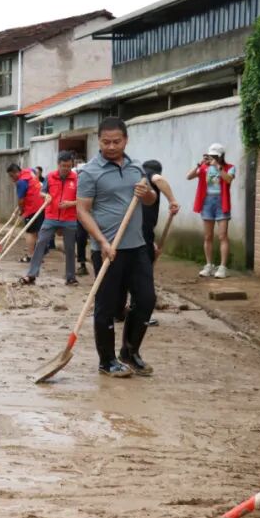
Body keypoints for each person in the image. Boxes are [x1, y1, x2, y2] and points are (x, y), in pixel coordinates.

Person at [77, 117, 158, 378]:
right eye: (106, 142)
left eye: (116, 141)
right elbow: (82, 211)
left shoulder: (136, 168)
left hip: (137, 247)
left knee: (146, 299)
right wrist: (101, 241)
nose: (111, 147)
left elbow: (150, 200)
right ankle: (107, 360)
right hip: (107, 249)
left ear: (126, 140)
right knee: (108, 305)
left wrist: (147, 193)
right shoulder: (90, 172)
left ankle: (130, 353)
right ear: (98, 141)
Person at [130, 159, 180, 326]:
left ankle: (123, 310)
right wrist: (172, 200)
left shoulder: (136, 179)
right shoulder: (151, 176)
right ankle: (140, 312)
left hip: (134, 231)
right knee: (143, 274)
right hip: (143, 232)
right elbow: (159, 179)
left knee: (130, 271)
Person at [21, 151, 79, 285]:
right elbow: (42, 192)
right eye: (63, 166)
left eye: (68, 166)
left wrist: (71, 203)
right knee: (41, 243)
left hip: (69, 218)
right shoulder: (50, 177)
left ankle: (70, 277)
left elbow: (82, 199)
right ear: (58, 164)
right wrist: (45, 196)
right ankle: (31, 274)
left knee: (70, 248)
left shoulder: (77, 179)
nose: (66, 169)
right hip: (51, 217)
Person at [187, 143, 236, 279]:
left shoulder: (229, 167)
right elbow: (189, 176)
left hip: (221, 202)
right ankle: (209, 265)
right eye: (210, 156)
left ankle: (223, 267)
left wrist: (218, 167)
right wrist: (199, 164)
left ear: (221, 156)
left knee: (222, 235)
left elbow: (228, 179)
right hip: (207, 202)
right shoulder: (204, 168)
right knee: (208, 236)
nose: (212, 158)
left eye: (215, 156)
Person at [6, 162, 45, 263]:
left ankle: (31, 256)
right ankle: (38, 256)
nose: (11, 179)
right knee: (36, 231)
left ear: (16, 172)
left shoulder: (21, 182)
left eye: (12, 176)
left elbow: (21, 201)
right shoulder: (29, 171)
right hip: (41, 205)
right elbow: (36, 171)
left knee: (30, 232)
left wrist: (22, 211)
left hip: (32, 208)